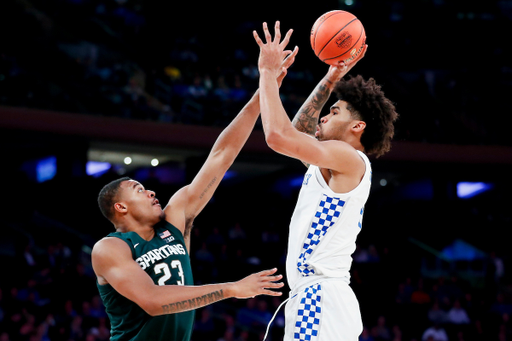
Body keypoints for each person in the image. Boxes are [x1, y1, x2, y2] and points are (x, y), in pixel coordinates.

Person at [91, 51, 299, 340]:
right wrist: (229, 288)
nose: (151, 191)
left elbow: (221, 156)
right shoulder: (110, 249)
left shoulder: (174, 220)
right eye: (139, 189)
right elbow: (152, 301)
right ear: (121, 207)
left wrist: (263, 90)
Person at [253, 22, 399, 341]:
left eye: (334, 111)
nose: (324, 115)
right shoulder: (333, 163)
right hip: (319, 297)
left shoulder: (349, 159)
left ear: (357, 126)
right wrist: (331, 78)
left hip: (320, 297)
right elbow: (298, 130)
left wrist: (266, 72)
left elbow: (278, 136)